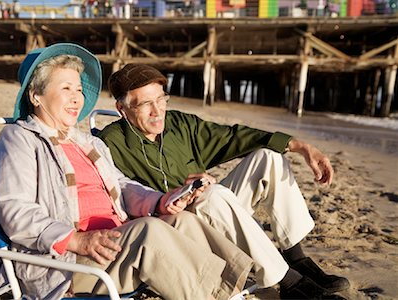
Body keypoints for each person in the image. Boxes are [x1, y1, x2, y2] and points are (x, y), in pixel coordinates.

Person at [0, 43, 254, 299]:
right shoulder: (20, 139)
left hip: (114, 244)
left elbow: (122, 186)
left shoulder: (88, 143)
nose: (76, 98)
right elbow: (16, 211)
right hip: (68, 263)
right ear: (36, 95)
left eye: (79, 89)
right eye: (66, 88)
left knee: (182, 220)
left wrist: (161, 201)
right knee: (149, 231)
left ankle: (233, 288)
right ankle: (213, 295)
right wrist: (77, 241)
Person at [99, 64, 351, 299]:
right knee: (212, 194)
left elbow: (233, 137)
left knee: (268, 157)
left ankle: (297, 258)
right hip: (178, 230)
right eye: (145, 104)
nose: (157, 111)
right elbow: (120, 199)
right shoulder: (109, 143)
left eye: (161, 99)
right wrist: (175, 198)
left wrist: (300, 146)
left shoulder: (178, 124)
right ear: (123, 109)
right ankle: (289, 282)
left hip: (218, 214)